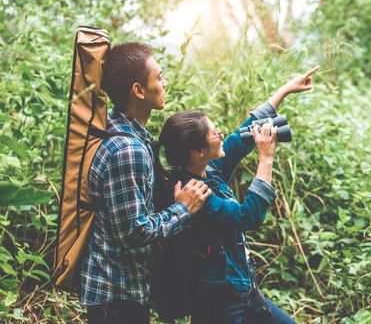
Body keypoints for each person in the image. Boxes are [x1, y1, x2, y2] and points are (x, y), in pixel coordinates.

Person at [153, 66, 319, 323]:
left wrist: (284, 90)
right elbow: (248, 216)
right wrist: (266, 158)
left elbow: (241, 135)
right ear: (198, 151)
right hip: (219, 304)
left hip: (246, 292)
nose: (220, 134)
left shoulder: (209, 169)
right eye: (214, 133)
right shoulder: (194, 193)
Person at [80, 42, 211, 324]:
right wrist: (183, 209)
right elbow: (132, 233)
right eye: (159, 77)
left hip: (119, 290)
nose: (164, 83)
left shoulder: (118, 127)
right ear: (138, 90)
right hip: (116, 294)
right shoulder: (129, 150)